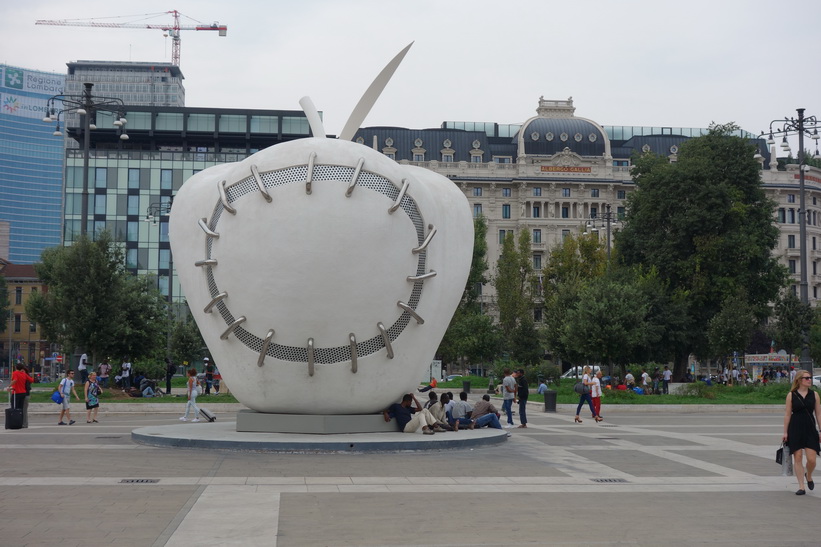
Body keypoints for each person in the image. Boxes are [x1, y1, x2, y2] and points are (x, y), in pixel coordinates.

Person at [782, 371, 821, 495]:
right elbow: (787, 414)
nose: (809, 380)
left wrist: (820, 430)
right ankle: (801, 486)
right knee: (797, 457)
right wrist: (785, 432)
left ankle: (808, 475)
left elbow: (818, 414)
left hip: (810, 428)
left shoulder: (814, 394)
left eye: (810, 377)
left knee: (812, 460)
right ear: (799, 380)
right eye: (807, 378)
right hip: (795, 428)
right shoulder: (791, 395)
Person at [8, 363, 34, 429]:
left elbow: (15, 380)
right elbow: (31, 380)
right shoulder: (24, 374)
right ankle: (20, 422)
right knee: (20, 409)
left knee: (14, 408)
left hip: (16, 392)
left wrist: (9, 386)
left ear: (16, 368)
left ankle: (15, 422)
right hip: (23, 393)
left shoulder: (15, 373)